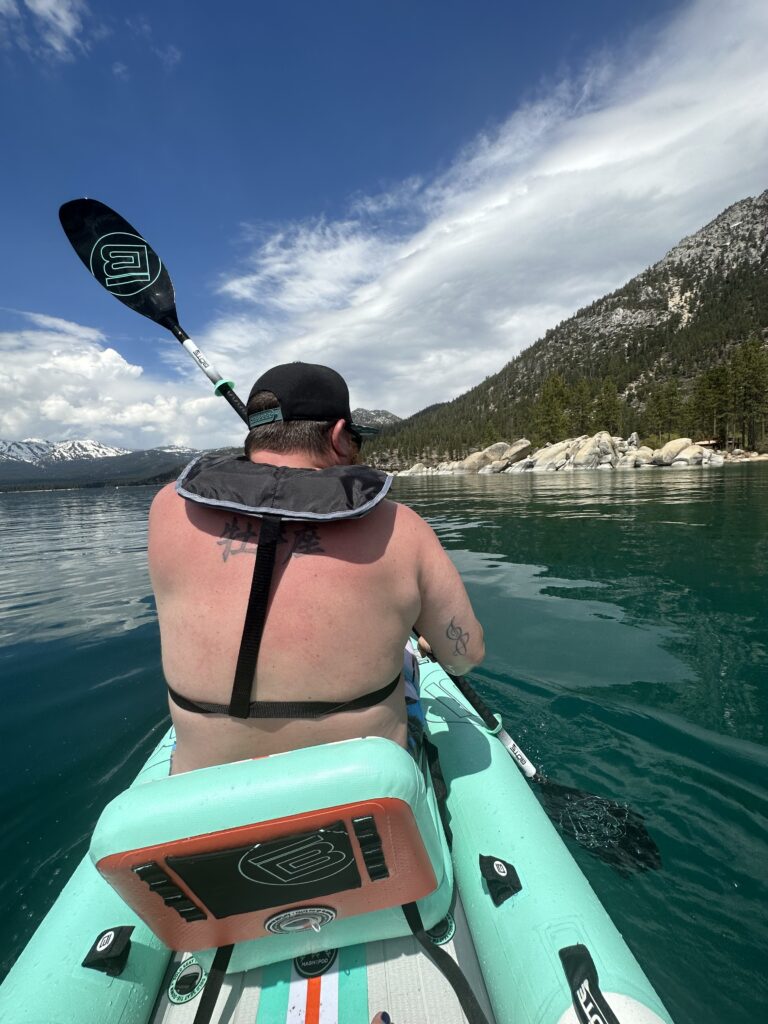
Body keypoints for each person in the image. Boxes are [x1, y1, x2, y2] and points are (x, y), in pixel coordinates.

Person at [148, 362, 484, 775]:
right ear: (340, 435)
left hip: (206, 795)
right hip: (364, 793)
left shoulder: (167, 510)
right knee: (409, 665)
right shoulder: (401, 527)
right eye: (356, 439)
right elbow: (466, 656)